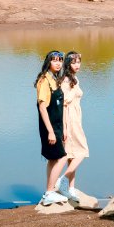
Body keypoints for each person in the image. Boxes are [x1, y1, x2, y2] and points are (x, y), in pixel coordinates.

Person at [35, 50, 69, 206]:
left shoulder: (56, 79)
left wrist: (63, 129)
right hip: (49, 127)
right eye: (54, 60)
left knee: (53, 159)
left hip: (57, 126)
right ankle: (49, 192)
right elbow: (42, 108)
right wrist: (50, 131)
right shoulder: (44, 81)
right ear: (48, 62)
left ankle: (49, 192)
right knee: (62, 157)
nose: (58, 63)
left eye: (60, 60)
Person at [56, 51, 89, 203]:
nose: (77, 65)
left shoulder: (74, 79)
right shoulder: (65, 80)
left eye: (79, 62)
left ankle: (70, 188)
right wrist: (64, 127)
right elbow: (63, 104)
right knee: (82, 151)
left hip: (76, 117)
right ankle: (63, 179)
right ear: (68, 64)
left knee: (72, 154)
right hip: (69, 119)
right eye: (74, 62)